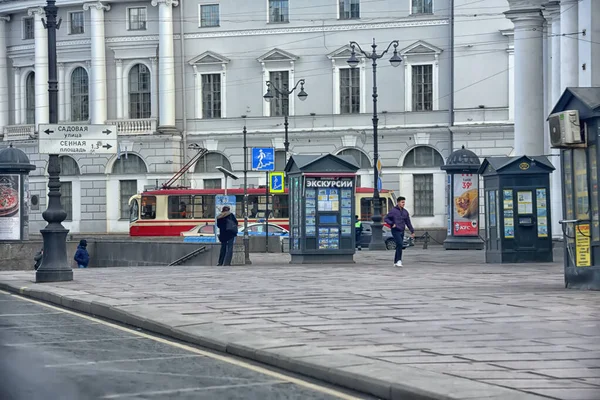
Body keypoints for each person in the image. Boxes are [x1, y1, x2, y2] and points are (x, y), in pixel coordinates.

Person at [384, 196, 415, 267]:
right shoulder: (393, 211)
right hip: (395, 230)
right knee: (400, 243)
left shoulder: (405, 212)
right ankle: (399, 260)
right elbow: (386, 219)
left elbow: (408, 222)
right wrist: (392, 224)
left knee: (399, 245)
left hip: (402, 230)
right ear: (398, 203)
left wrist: (412, 231)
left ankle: (396, 261)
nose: (403, 204)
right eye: (402, 202)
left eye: (404, 202)